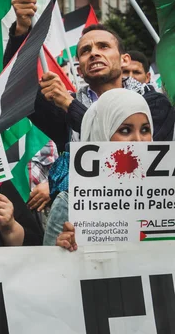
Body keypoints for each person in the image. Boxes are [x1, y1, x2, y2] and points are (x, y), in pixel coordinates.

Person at [5, 0, 174, 150]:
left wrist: (71, 106)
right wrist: (21, 29)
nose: (94, 53)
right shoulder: (61, 110)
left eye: (104, 46)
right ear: (80, 71)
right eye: (85, 51)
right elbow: (17, 89)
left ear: (124, 60)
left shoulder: (154, 103)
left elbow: (132, 154)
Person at [46, 88, 153, 248]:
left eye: (145, 130)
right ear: (100, 133)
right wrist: (66, 251)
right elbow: (48, 270)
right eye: (125, 130)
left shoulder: (165, 197)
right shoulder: (70, 204)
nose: (138, 140)